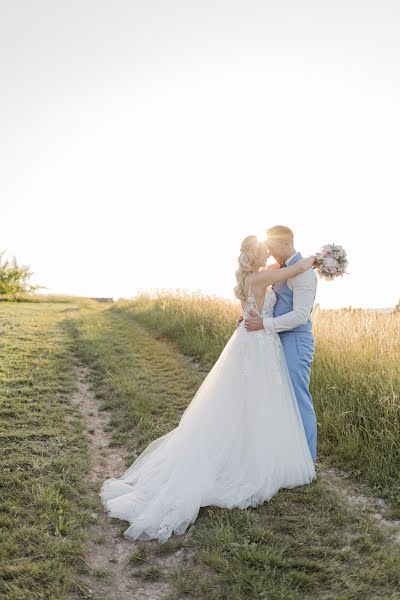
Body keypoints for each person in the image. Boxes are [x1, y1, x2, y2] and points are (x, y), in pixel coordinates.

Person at [100, 235, 317, 543]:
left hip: (248, 337)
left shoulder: (245, 276)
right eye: (265, 250)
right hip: (259, 343)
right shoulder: (264, 276)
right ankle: (253, 454)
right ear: (257, 256)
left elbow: (272, 276)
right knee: (258, 400)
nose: (270, 253)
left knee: (243, 399)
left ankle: (244, 444)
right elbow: (289, 272)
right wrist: (317, 259)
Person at [243, 225, 318, 461]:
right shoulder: (282, 269)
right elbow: (270, 300)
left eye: (273, 247)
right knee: (282, 398)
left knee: (298, 397)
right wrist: (250, 314)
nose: (271, 252)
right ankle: (288, 454)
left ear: (286, 243)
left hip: (295, 340)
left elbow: (300, 316)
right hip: (276, 340)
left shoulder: (304, 273)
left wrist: (264, 323)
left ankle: (307, 458)